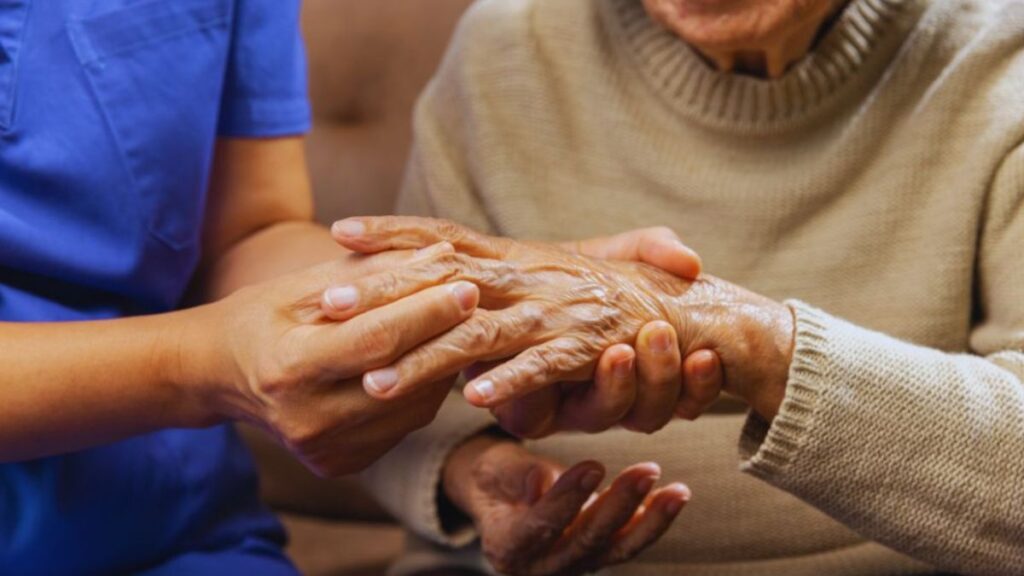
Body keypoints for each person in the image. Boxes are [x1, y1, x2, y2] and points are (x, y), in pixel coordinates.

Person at [0, 1, 704, 573]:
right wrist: (204, 364)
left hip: (176, 533)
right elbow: (217, 351)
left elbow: (249, 235)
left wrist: (489, 281)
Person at [337, 0, 1024, 574]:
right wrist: (472, 472)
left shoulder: (1001, 54)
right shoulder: (505, 43)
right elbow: (385, 388)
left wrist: (753, 341)